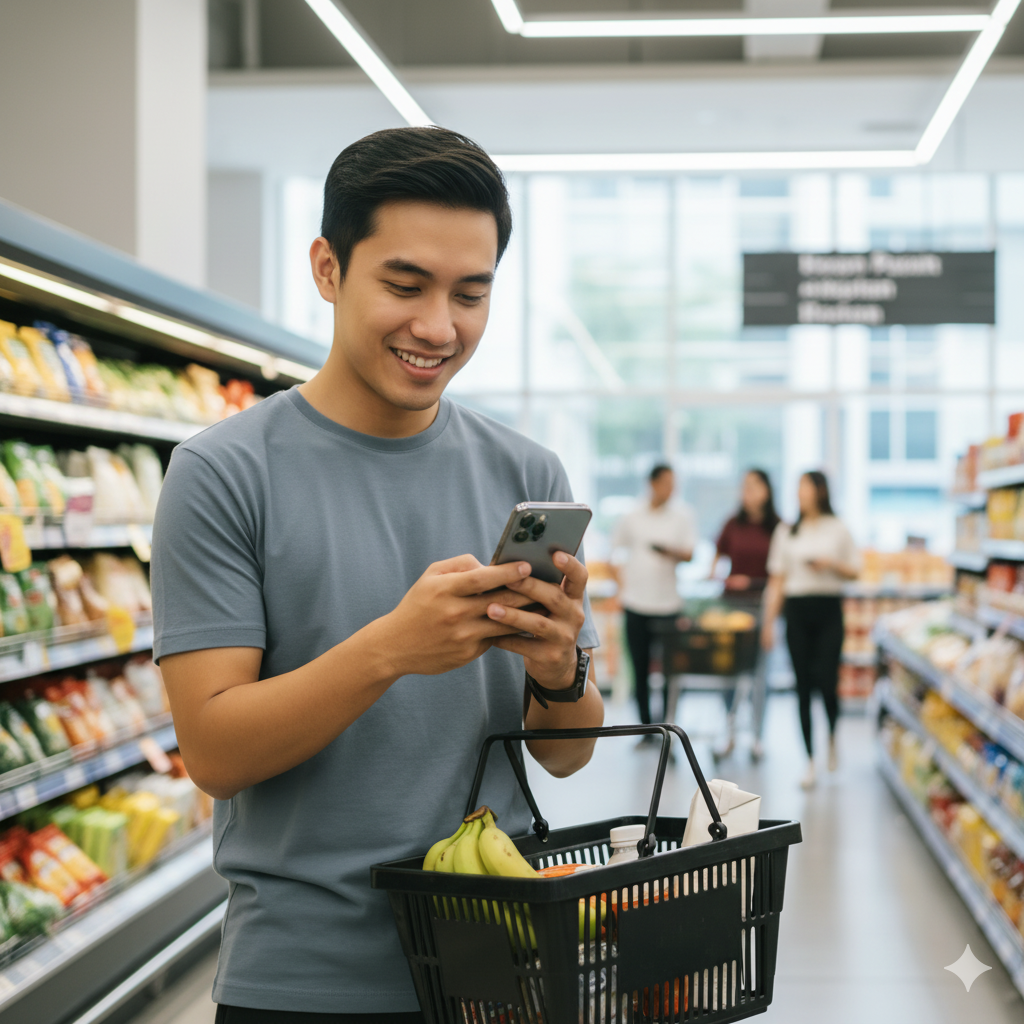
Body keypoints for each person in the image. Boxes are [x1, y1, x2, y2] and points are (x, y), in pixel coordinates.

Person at [151, 127, 603, 1024]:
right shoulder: (222, 474)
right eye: (405, 286)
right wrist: (393, 649)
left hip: (495, 965)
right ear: (328, 268)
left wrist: (560, 672)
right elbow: (214, 752)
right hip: (301, 982)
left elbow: (566, 751)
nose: (439, 327)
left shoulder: (528, 473)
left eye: (470, 295)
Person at [761, 470, 859, 790]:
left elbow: (855, 571)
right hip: (797, 611)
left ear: (820, 491)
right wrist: (769, 622)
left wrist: (830, 563)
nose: (800, 493)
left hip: (829, 609)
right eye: (798, 488)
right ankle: (810, 760)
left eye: (806, 487)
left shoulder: (838, 527)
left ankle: (832, 733)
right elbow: (777, 580)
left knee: (828, 682)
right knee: (802, 685)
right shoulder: (787, 531)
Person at [611, 464, 697, 737]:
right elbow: (614, 553)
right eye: (666, 484)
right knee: (640, 669)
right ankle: (647, 729)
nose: (671, 490)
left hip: (669, 604)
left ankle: (668, 725)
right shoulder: (632, 515)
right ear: (652, 484)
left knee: (673, 672)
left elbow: (690, 554)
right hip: (636, 603)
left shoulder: (683, 516)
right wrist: (622, 587)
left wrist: (669, 551)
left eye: (674, 484)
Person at [709, 468, 780, 761]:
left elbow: (779, 576)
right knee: (727, 673)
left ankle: (757, 737)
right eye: (744, 486)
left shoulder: (778, 527)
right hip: (731, 608)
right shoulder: (732, 524)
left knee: (760, 675)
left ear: (766, 490)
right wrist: (715, 576)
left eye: (753, 486)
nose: (746, 492)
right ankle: (730, 732)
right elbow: (717, 557)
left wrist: (771, 620)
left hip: (762, 607)